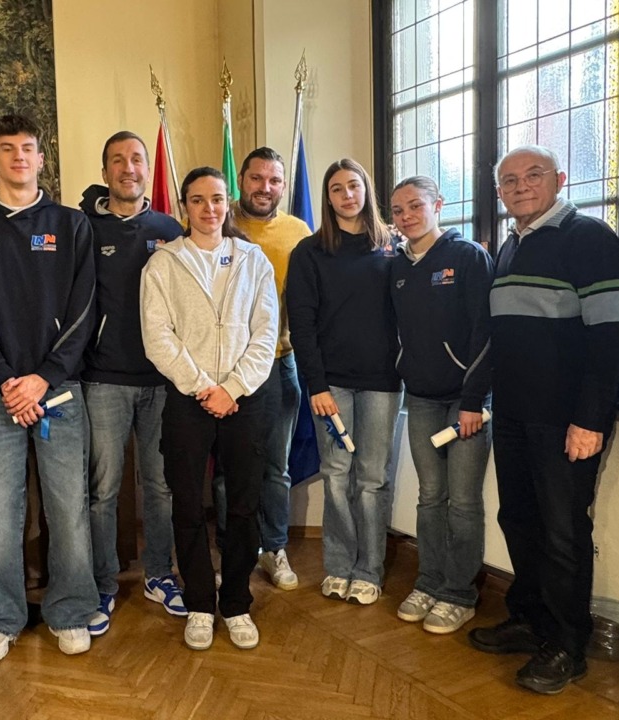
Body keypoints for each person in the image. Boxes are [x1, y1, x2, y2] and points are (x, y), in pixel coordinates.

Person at [467, 145, 619, 695]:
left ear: (559, 179)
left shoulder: (590, 239)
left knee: (563, 534)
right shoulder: (510, 248)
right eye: (508, 180)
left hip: (566, 423)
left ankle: (567, 645)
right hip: (514, 416)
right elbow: (500, 340)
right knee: (519, 520)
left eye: (532, 175)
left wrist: (589, 419)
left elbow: (611, 335)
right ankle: (531, 620)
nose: (519, 186)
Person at [0, 114, 98, 662]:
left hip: (58, 390)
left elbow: (84, 311)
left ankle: (71, 611)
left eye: (27, 149)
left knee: (68, 508)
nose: (18, 158)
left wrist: (43, 377)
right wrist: (8, 380)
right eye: (6, 149)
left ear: (40, 157)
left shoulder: (72, 224)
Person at [140, 166, 279, 651]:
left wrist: (233, 387)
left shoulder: (253, 259)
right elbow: (158, 337)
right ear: (184, 208)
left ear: (228, 203)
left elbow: (266, 334)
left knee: (242, 503)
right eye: (198, 200)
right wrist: (202, 387)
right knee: (186, 503)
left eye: (217, 198)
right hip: (189, 399)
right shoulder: (163, 264)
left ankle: (236, 600)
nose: (209, 208)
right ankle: (200, 601)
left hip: (245, 398)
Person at [79, 131, 187, 636]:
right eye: (117, 160)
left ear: (148, 170)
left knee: (161, 485)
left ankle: (160, 575)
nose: (129, 167)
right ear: (105, 173)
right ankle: (103, 582)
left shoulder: (170, 227)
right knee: (103, 489)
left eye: (137, 159)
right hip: (103, 380)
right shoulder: (84, 226)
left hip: (163, 383)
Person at [286, 158, 402, 608]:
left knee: (372, 478)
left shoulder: (392, 248)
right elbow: (303, 323)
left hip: (383, 383)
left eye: (354, 186)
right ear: (328, 197)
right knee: (337, 476)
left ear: (366, 191)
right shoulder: (310, 253)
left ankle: (368, 570)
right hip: (330, 385)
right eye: (337, 189)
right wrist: (315, 385)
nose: (347, 195)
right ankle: (339, 565)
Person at [388, 175, 494, 635]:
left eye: (415, 206)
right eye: (397, 210)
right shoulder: (397, 267)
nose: (407, 216)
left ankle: (459, 593)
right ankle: (429, 582)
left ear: (438, 205)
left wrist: (474, 398)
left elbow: (486, 330)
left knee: (463, 502)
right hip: (422, 399)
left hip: (466, 403)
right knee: (430, 497)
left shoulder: (467, 256)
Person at [215, 147, 311, 591]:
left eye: (274, 180)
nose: (265, 188)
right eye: (256, 178)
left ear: (283, 185)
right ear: (241, 180)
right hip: (224, 369)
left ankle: (273, 547)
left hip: (278, 364)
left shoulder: (298, 231)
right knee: (226, 468)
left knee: (275, 465)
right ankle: (232, 548)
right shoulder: (218, 220)